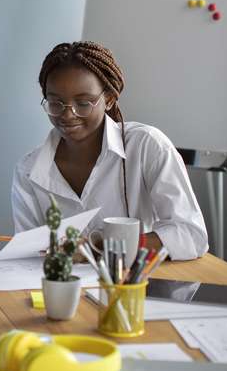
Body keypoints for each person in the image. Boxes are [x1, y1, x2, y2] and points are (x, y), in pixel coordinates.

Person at [11, 41, 208, 260]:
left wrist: (99, 244)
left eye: (84, 103)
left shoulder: (147, 146)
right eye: (56, 103)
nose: (68, 115)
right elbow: (28, 254)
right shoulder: (28, 170)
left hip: (135, 288)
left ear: (109, 99)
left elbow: (192, 235)